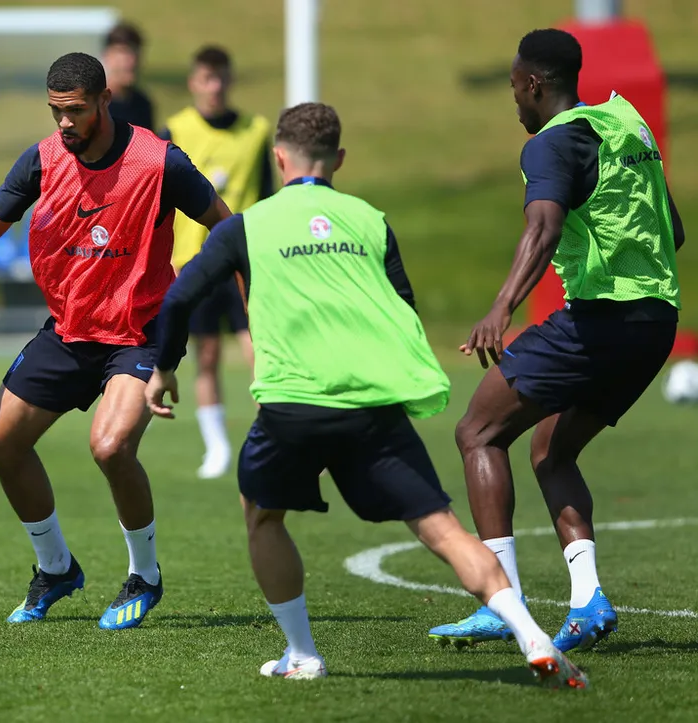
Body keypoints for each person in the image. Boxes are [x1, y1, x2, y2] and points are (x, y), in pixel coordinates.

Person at [144, 101, 587, 688]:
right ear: (339, 160)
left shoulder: (245, 227)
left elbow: (179, 298)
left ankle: (302, 653)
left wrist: (164, 369)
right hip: (371, 405)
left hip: (293, 404)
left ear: (279, 159)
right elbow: (403, 309)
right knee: (443, 529)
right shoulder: (370, 221)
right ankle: (532, 635)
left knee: (262, 514)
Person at [0, 52, 230, 630]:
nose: (64, 122)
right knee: (0, 445)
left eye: (75, 110)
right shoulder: (41, 159)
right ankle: (56, 568)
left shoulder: (159, 161)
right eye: (56, 110)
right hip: (69, 329)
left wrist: (229, 298)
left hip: (138, 333)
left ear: (105, 100)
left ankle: (144, 576)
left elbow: (226, 228)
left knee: (110, 447)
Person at [429, 29, 685, 652]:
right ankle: (588, 600)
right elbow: (672, 228)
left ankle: (500, 601)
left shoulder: (549, 144)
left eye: (515, 88)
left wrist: (501, 307)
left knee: (478, 432)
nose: (515, 101)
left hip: (599, 321)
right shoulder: (626, 124)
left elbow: (542, 227)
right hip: (656, 324)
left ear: (534, 84)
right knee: (551, 451)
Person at [158, 46, 274, 479]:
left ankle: (275, 439)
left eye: (222, 77)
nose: (215, 86)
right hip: (194, 261)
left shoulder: (256, 130)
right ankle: (217, 448)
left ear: (231, 79)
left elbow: (267, 195)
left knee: (259, 352)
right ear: (193, 82)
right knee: (205, 355)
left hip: (245, 259)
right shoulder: (175, 129)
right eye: (207, 78)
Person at [102, 22, 155, 130]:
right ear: (107, 56)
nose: (132, 61)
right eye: (124, 53)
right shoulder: (96, 104)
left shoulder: (142, 104)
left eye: (135, 53)